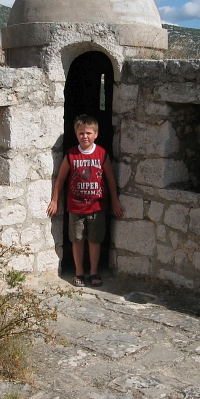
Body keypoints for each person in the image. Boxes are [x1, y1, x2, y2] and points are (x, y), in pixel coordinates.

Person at [46, 114, 125, 287]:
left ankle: (94, 271)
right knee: (77, 240)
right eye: (81, 133)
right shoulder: (72, 154)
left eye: (89, 133)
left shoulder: (102, 154)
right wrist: (54, 201)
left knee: (95, 240)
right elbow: (60, 179)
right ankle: (79, 271)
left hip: (97, 207)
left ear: (96, 134)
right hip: (76, 207)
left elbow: (111, 180)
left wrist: (115, 202)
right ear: (76, 134)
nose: (85, 136)